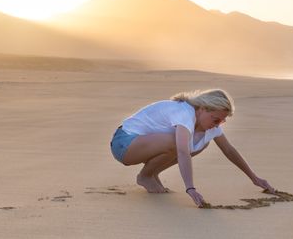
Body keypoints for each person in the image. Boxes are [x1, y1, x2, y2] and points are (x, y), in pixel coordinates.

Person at [109, 88, 275, 207]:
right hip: (124, 144)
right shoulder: (184, 113)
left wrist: (254, 178)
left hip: (144, 145)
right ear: (202, 109)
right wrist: (190, 188)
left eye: (222, 121)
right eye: (215, 119)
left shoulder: (209, 124)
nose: (217, 125)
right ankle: (145, 176)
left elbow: (229, 150)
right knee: (178, 143)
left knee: (199, 144)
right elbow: (181, 151)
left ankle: (152, 173)